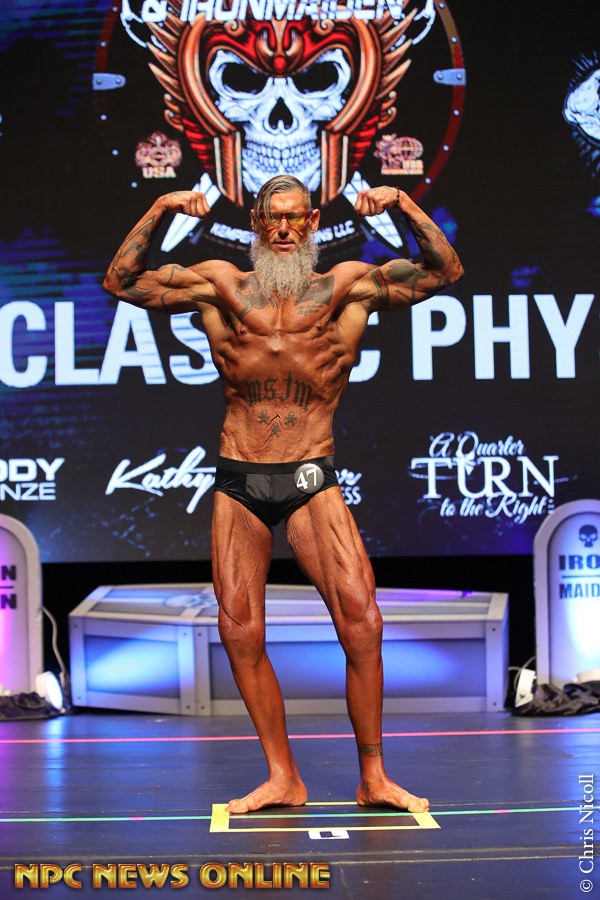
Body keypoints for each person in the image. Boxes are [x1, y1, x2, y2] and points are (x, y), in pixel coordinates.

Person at [103, 176, 464, 815]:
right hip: (239, 476)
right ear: (256, 222)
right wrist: (160, 207)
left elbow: (445, 271)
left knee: (363, 623)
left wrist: (404, 204)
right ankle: (283, 777)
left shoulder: (347, 287)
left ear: (314, 221)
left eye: (296, 218)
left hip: (309, 476)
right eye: (273, 218)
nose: (284, 229)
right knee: (239, 633)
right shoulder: (219, 285)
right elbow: (123, 282)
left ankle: (374, 776)